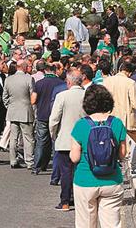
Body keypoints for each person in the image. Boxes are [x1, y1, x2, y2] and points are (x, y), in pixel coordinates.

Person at [70, 84, 127, 227]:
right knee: (112, 223)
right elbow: (122, 154)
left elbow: (74, 157)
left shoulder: (81, 125)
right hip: (112, 180)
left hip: (85, 180)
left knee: (86, 223)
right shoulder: (117, 123)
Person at [50, 69, 86, 211]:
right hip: (82, 139)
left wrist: (54, 135)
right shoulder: (87, 95)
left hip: (64, 139)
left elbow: (53, 119)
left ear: (68, 81)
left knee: (65, 172)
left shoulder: (62, 96)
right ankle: (79, 200)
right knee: (80, 171)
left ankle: (65, 201)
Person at [32, 59, 65, 174]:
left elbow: (33, 100)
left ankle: (37, 166)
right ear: (55, 71)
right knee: (55, 142)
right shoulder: (61, 84)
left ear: (45, 71)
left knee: (41, 141)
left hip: (42, 115)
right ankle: (56, 168)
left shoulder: (39, 83)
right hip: (56, 116)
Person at [3, 58, 35, 170]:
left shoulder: (8, 80)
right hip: (25, 111)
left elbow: (5, 97)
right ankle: (30, 161)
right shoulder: (29, 79)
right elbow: (33, 95)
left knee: (13, 137)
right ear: (25, 67)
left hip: (12, 111)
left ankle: (13, 160)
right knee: (28, 138)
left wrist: (10, 107)